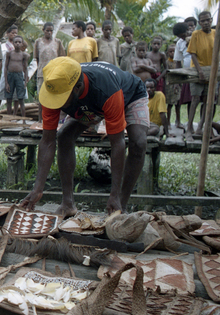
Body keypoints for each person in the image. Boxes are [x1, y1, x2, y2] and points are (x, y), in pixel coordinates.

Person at [20, 57, 148, 216]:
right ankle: (68, 204)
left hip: (128, 94)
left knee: (139, 142)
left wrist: (114, 194)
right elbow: (47, 141)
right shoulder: (55, 86)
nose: (55, 104)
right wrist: (37, 188)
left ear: (77, 87)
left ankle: (121, 204)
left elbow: (117, 143)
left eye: (60, 99)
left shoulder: (107, 89)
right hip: (89, 104)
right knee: (65, 135)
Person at [186, 11, 215, 141]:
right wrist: (200, 71)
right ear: (200, 23)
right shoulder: (196, 34)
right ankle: (189, 127)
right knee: (195, 99)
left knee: (208, 101)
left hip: (212, 71)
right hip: (197, 70)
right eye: (202, 21)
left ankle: (201, 127)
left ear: (211, 20)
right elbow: (192, 53)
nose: (205, 23)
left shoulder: (216, 34)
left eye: (207, 20)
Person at [34, 22, 66, 122]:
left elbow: (62, 58)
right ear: (43, 30)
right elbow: (37, 58)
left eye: (51, 31)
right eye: (47, 30)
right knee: (41, 97)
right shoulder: (38, 42)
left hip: (54, 74)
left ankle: (54, 119)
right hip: (42, 73)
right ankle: (40, 119)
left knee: (54, 96)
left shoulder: (57, 42)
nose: (49, 32)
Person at [4, 35, 29, 118]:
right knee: (9, 99)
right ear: (13, 44)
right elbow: (5, 67)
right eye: (16, 42)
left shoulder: (24, 55)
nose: (17, 44)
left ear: (22, 44)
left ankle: (23, 119)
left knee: (21, 98)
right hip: (10, 75)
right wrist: (6, 82)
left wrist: (25, 80)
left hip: (19, 76)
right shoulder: (9, 53)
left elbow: (25, 68)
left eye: (19, 42)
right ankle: (8, 118)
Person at [0, 25, 18, 111]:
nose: (14, 35)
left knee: (16, 97)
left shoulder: (19, 46)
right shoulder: (2, 46)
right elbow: (0, 61)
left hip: (17, 74)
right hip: (5, 74)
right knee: (0, 94)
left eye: (16, 33)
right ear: (7, 33)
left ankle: (14, 115)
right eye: (12, 33)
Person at [165, 42, 182, 128]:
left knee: (178, 104)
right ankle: (168, 122)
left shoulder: (179, 62)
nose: (172, 53)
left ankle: (178, 121)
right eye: (171, 52)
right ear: (168, 53)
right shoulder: (167, 62)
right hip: (169, 85)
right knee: (170, 104)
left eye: (174, 52)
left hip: (178, 84)